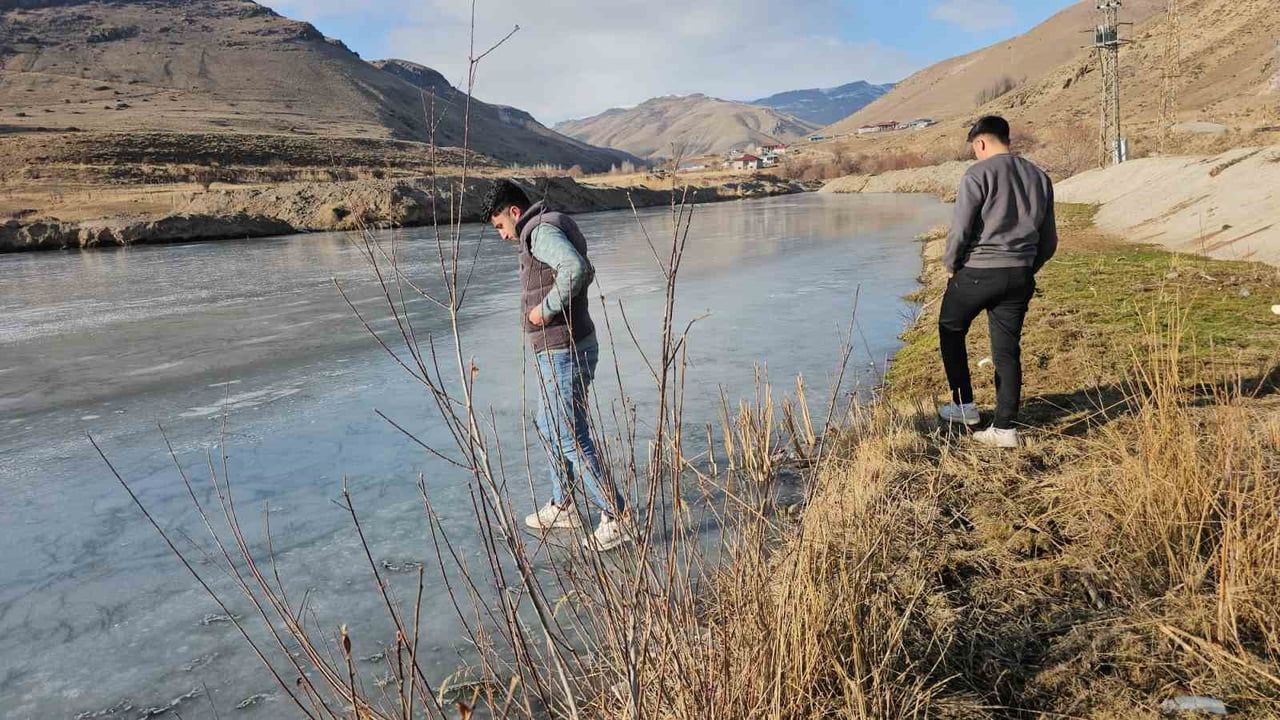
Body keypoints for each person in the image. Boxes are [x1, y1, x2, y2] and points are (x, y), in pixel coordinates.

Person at [482, 180, 628, 551]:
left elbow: (576, 269)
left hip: (566, 349)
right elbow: (585, 269)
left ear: (515, 212)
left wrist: (544, 312)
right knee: (550, 425)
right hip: (565, 347)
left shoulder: (539, 231)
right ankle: (563, 505)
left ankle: (617, 517)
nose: (502, 235)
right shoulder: (550, 224)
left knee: (568, 433)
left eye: (500, 225)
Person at [937, 116, 1058, 448]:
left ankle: (964, 405)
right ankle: (1004, 429)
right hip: (1020, 273)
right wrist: (1027, 267)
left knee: (950, 328)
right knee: (1007, 350)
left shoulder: (977, 174)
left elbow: (961, 229)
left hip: (979, 271)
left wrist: (951, 265)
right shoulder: (1039, 177)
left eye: (974, 149)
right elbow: (1049, 240)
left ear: (981, 143)